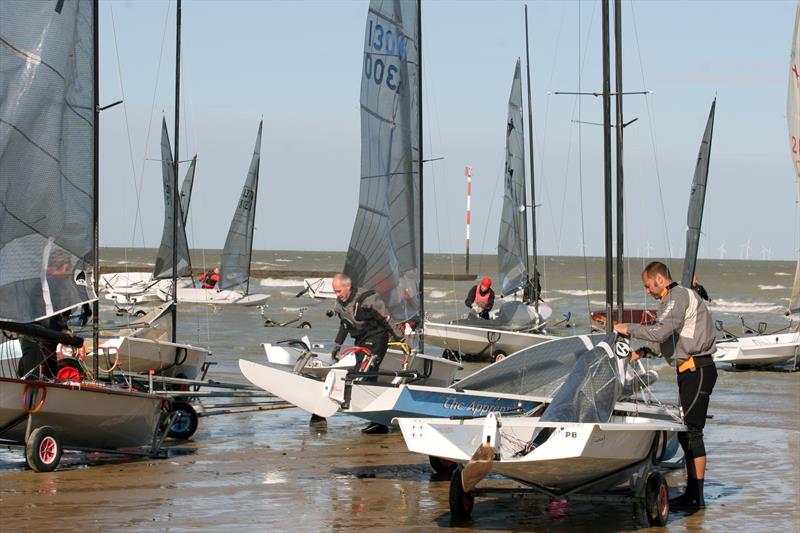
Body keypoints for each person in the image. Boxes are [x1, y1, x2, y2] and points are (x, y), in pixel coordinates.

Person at [613, 261, 717, 511]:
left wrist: (628, 328)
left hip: (698, 369)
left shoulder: (677, 296)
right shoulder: (669, 302)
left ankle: (696, 498)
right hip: (688, 371)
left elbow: (660, 333)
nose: (647, 290)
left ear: (659, 279)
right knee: (686, 433)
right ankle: (693, 494)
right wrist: (641, 353)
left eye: (647, 285)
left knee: (692, 432)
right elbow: (664, 341)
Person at [330, 273, 401, 433]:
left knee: (366, 375)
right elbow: (345, 325)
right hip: (361, 340)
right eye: (334, 292)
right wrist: (337, 346)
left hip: (377, 337)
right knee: (358, 374)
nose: (337, 295)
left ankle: (379, 422)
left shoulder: (367, 299)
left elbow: (386, 318)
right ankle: (375, 418)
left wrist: (399, 337)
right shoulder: (341, 303)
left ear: (347, 287)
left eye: (338, 291)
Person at [17, 310, 72, 380]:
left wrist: (65, 330)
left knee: (48, 376)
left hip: (47, 338)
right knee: (32, 377)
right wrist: (61, 330)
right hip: (34, 334)